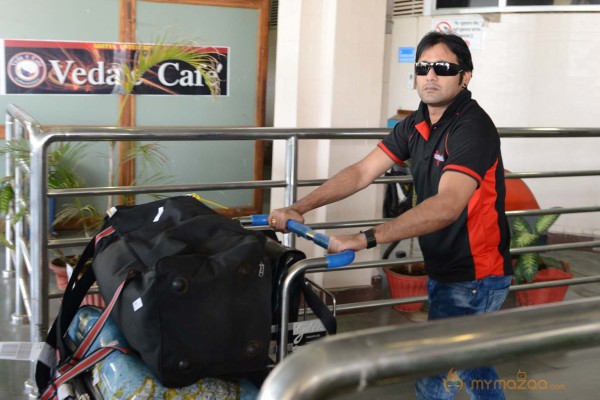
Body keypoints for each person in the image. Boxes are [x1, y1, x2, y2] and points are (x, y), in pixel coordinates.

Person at [268, 31, 512, 400]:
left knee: (433, 376)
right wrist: (299, 207)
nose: (431, 75)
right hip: (446, 267)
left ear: (465, 76)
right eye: (423, 67)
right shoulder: (416, 123)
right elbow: (362, 172)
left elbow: (447, 205)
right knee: (473, 367)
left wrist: (364, 238)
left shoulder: (472, 128)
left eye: (443, 67)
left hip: (475, 274)